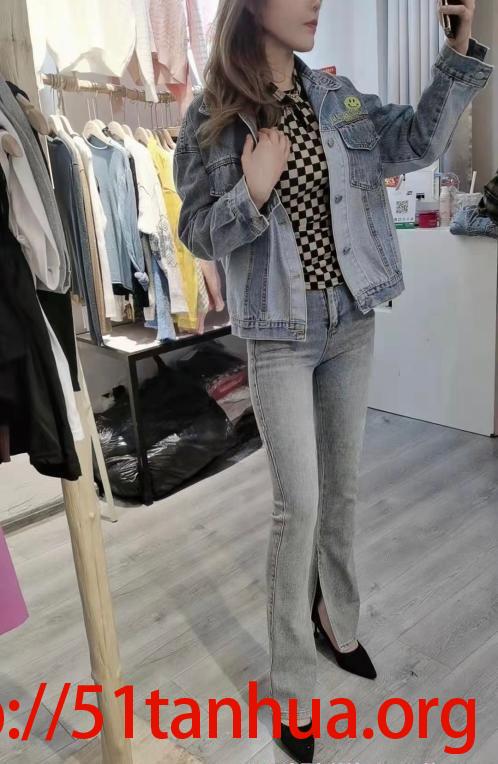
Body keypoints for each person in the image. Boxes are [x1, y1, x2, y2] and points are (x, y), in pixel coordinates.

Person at [173, 1, 492, 760]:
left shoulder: (338, 97)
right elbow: (195, 230)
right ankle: (292, 688)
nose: (316, 2)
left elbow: (416, 142)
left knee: (342, 489)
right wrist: (249, 192)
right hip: (278, 334)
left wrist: (457, 51)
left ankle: (336, 623)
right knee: (300, 507)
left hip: (350, 323)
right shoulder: (212, 116)